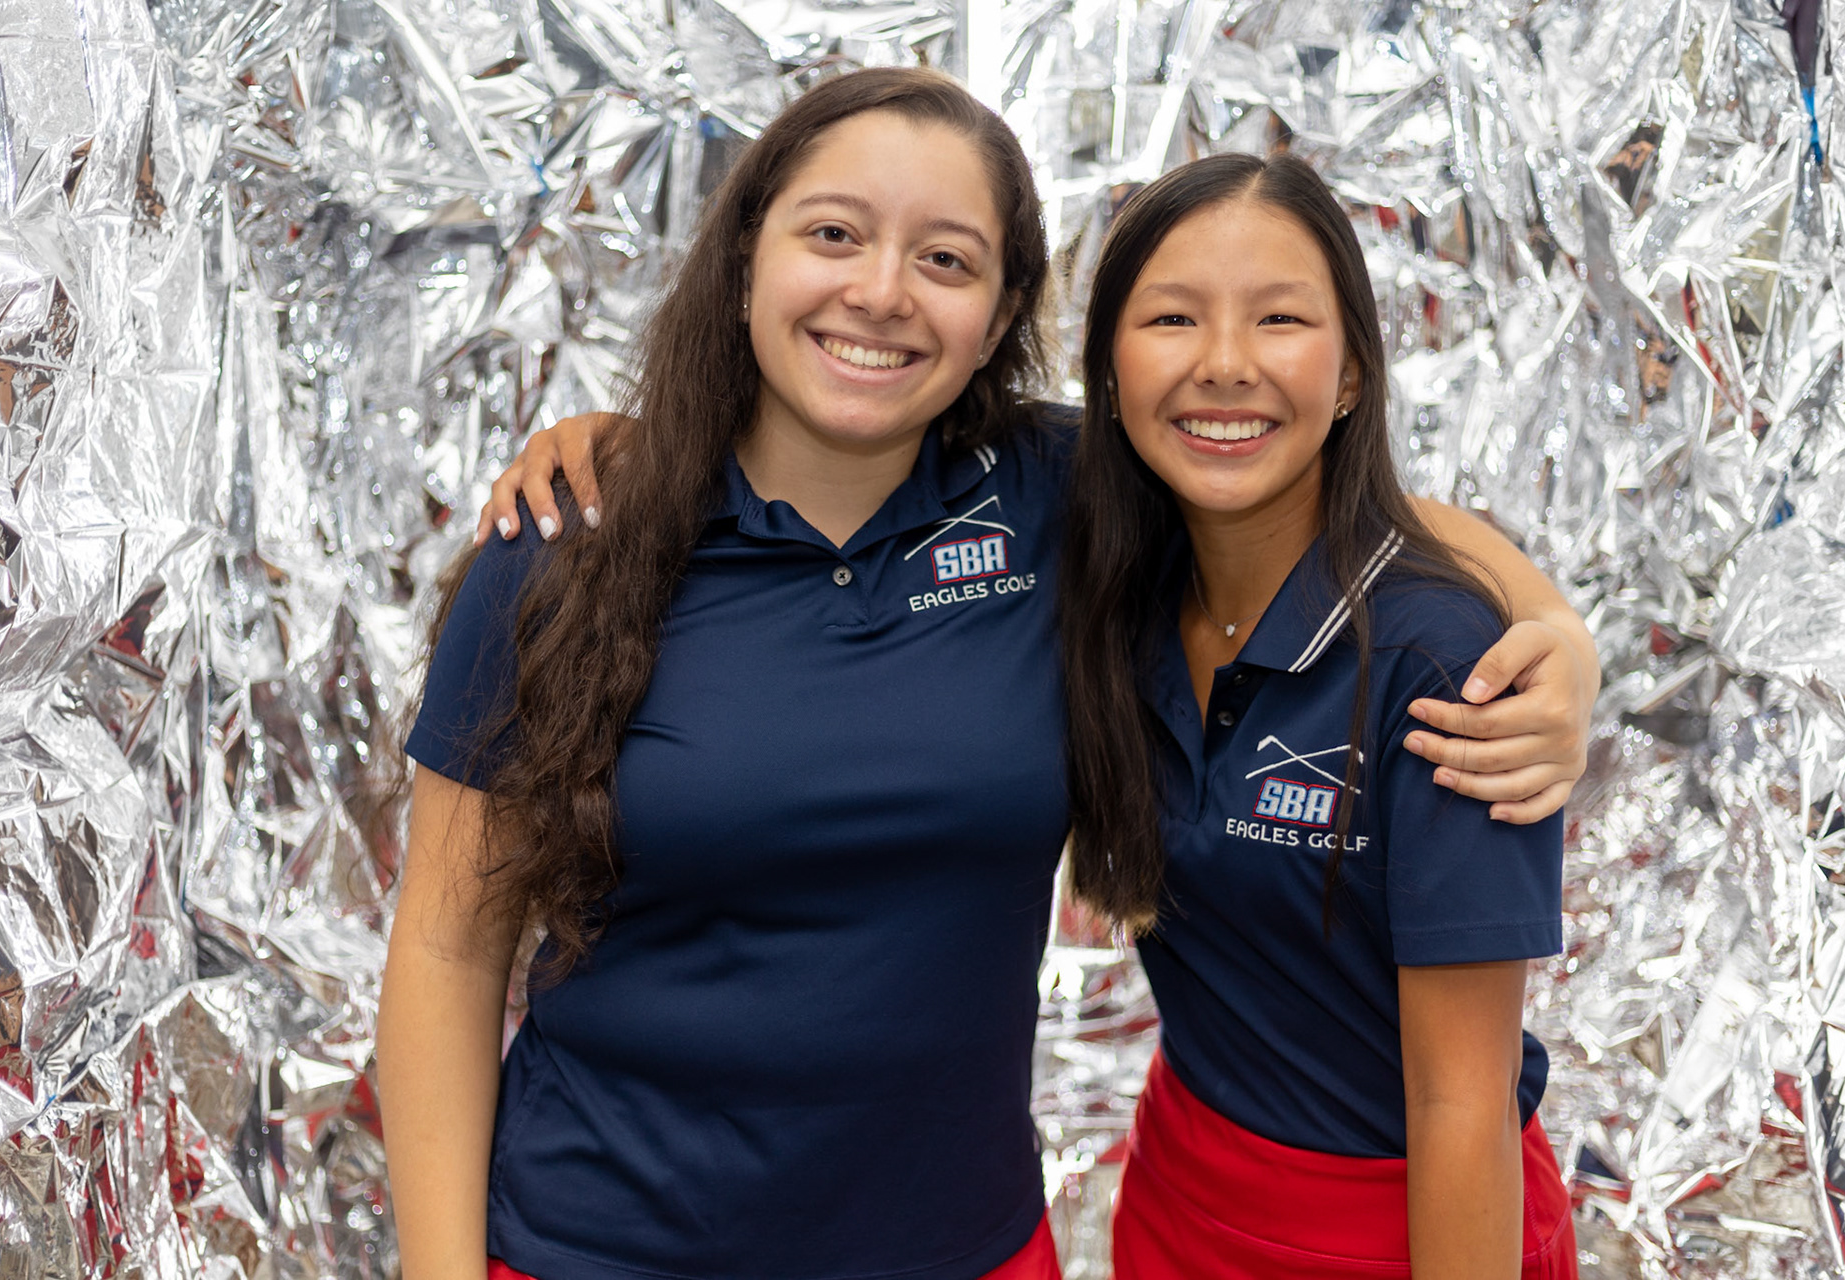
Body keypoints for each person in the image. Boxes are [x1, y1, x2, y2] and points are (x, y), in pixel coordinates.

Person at [392, 68, 1591, 1280]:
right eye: (834, 234)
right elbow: (444, 955)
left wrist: (1554, 630)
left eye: (947, 261)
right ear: (749, 252)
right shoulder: (569, 541)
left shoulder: (1055, 500)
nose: (880, 291)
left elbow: (1344, 514)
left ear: (1003, 310)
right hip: (598, 1252)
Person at [1059, 153, 1576, 1277]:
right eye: (1174, 317)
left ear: (1350, 373)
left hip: (1402, 1224)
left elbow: (1460, 1104)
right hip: (1180, 1196)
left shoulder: (1442, 667)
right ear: (1108, 366)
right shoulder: (1112, 579)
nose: (1226, 364)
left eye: (1282, 318)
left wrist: (1551, 627)